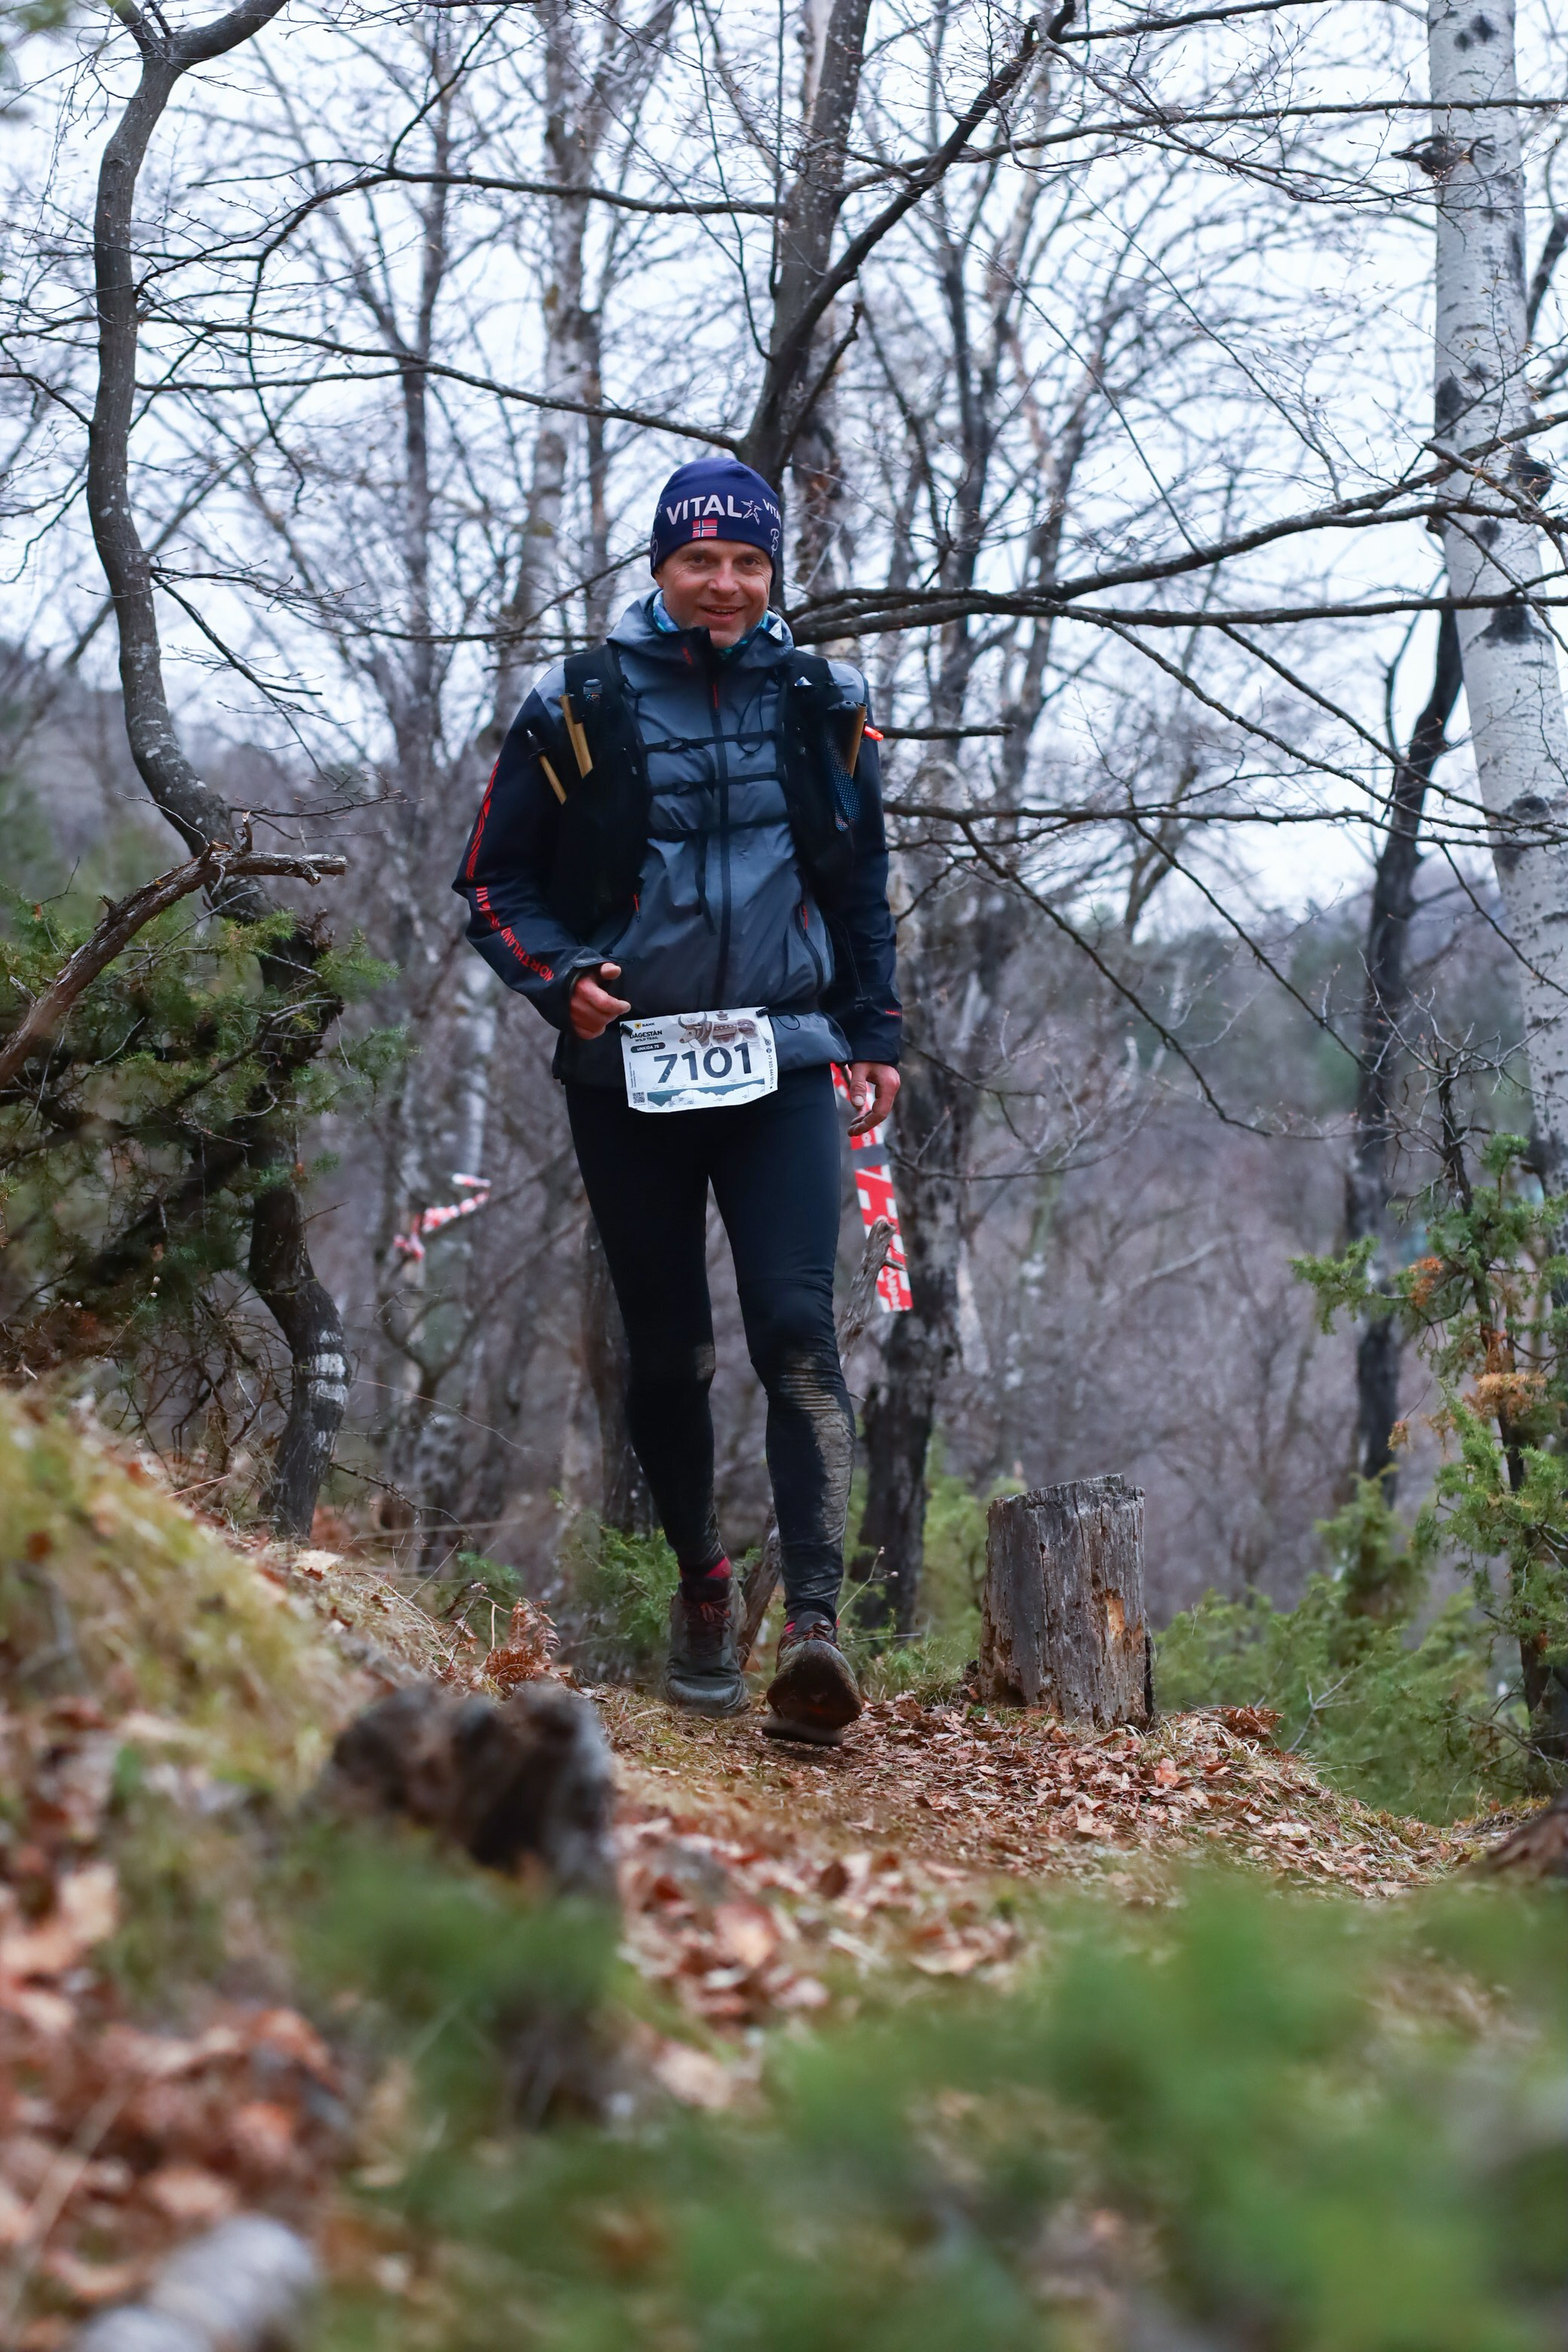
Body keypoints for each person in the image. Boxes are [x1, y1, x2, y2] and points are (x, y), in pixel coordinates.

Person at [454, 455, 900, 1742]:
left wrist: (875, 1034)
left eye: (748, 563)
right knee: (670, 1354)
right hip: (630, 1065)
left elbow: (862, 882)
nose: (724, 584)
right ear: (660, 567)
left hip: (786, 1057)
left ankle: (813, 1631)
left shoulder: (826, 701)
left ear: (773, 576)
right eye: (701, 560)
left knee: (796, 1333)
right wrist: (560, 982)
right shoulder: (577, 699)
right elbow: (492, 882)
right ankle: (707, 1589)